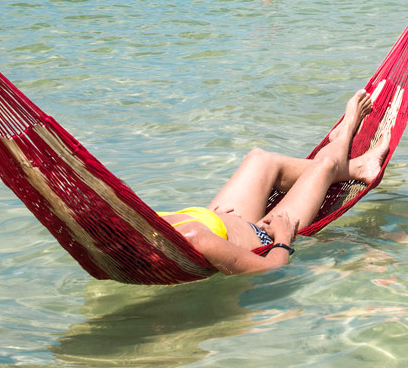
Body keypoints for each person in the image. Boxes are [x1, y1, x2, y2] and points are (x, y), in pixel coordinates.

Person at [157, 87, 390, 274]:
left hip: (220, 220)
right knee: (325, 166)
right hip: (264, 234)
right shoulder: (195, 239)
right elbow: (271, 268)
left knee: (260, 159)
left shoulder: (146, 229)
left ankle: (354, 166)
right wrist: (282, 237)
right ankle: (348, 131)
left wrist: (210, 219)